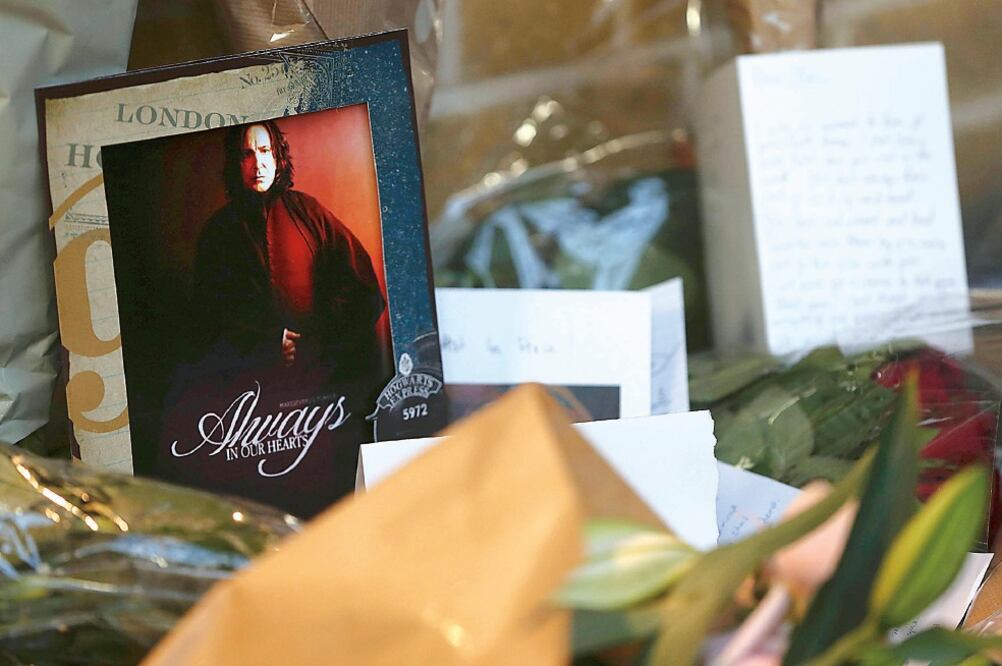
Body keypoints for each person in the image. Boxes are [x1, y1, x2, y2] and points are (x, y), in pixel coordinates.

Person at [191, 120, 385, 377]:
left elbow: (363, 288)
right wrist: (266, 343)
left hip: (319, 372)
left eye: (264, 151)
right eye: (246, 154)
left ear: (277, 156)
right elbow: (208, 313)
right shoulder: (218, 230)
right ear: (234, 163)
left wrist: (320, 340)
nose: (257, 163)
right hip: (250, 381)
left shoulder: (308, 212)